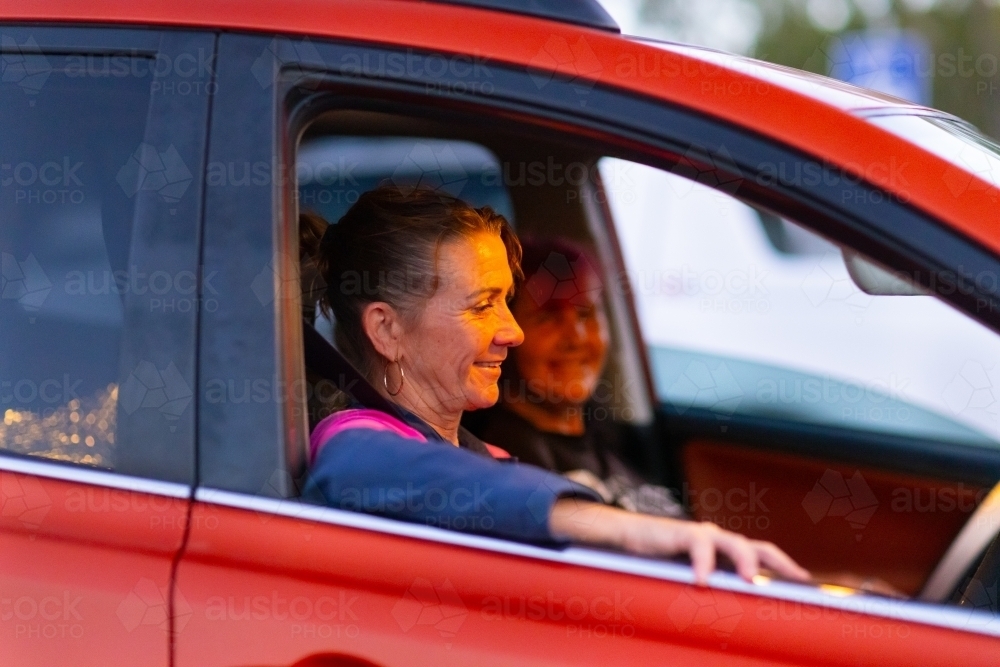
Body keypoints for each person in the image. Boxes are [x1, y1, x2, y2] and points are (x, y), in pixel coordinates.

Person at [301, 185, 809, 585]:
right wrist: (624, 527)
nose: (513, 331)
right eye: (482, 306)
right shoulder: (356, 437)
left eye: (507, 302)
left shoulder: (488, 458)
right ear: (387, 330)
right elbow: (358, 464)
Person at [469, 237, 686, 518]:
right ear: (507, 333)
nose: (577, 338)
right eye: (548, 318)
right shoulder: (507, 464)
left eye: (586, 314)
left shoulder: (608, 441)